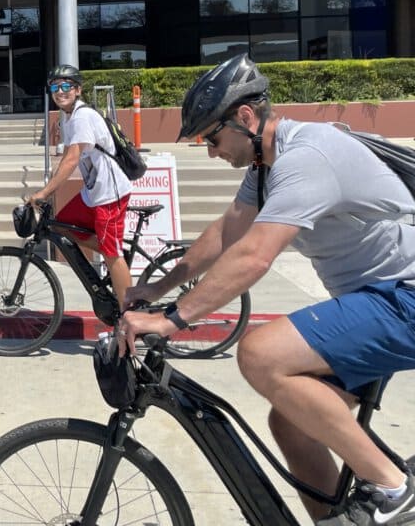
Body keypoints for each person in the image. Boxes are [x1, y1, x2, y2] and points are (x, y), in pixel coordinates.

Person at [121, 54, 415, 526]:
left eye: (212, 138)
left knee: (260, 353)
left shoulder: (306, 159)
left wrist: (171, 319)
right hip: (375, 300)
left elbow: (255, 255)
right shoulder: (266, 168)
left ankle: (393, 488)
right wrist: (158, 287)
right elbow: (226, 233)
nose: (211, 152)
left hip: (403, 298)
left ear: (245, 117)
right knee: (292, 423)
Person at [28, 64, 133, 305]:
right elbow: (67, 156)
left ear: (78, 90)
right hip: (93, 191)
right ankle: (114, 249)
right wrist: (49, 188)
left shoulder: (83, 116)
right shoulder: (68, 118)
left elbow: (72, 159)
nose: (60, 91)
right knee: (63, 225)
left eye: (66, 86)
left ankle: (129, 314)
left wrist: (44, 192)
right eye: (55, 87)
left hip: (110, 192)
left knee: (111, 254)